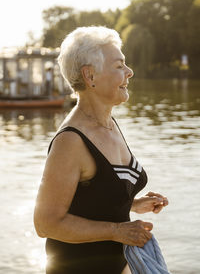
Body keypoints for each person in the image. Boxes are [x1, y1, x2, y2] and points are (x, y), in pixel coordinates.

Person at [34, 26, 168, 274]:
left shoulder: (109, 124)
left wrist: (133, 203)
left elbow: (91, 200)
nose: (129, 72)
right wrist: (118, 231)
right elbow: (46, 223)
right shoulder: (70, 141)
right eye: (119, 66)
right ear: (90, 76)